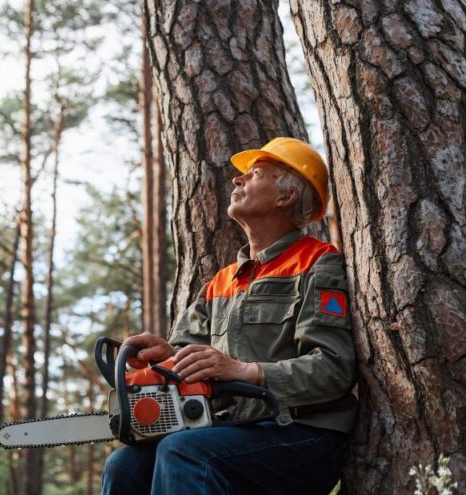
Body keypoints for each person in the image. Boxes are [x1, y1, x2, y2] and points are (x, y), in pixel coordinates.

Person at [102, 137, 358, 495]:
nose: (237, 180)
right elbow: (187, 360)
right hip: (231, 431)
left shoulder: (318, 264)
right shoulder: (222, 282)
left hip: (303, 434)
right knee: (126, 463)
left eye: (254, 174)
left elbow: (334, 369)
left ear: (286, 197)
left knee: (186, 452)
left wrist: (246, 371)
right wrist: (168, 358)